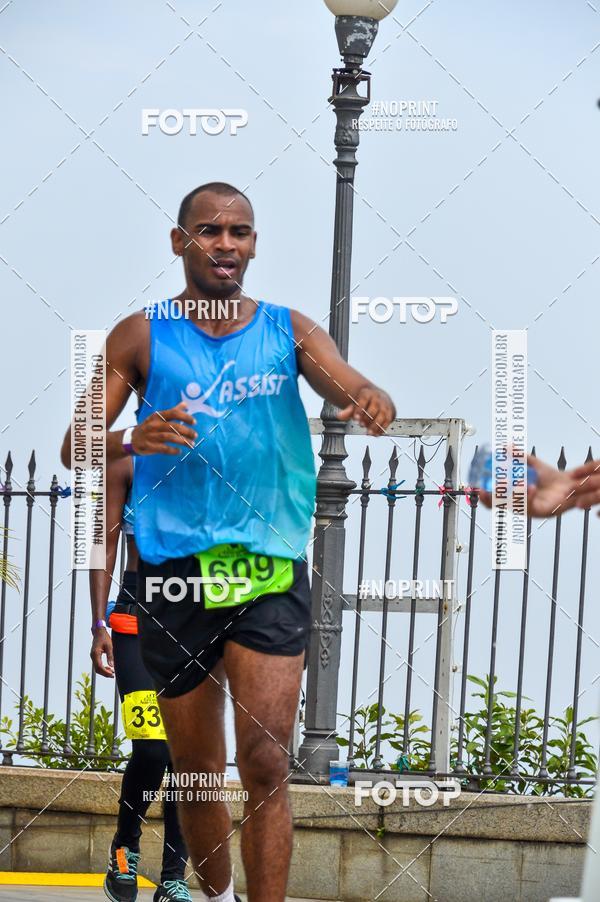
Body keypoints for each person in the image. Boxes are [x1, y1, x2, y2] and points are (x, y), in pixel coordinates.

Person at [61, 181, 396, 902]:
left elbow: (346, 381)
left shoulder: (289, 329)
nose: (226, 244)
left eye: (239, 232)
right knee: (195, 768)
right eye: (209, 231)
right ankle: (213, 893)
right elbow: (72, 444)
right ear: (180, 242)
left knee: (268, 763)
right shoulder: (140, 335)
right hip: (170, 578)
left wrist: (368, 396)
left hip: (267, 570)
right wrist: (130, 436)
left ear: (253, 243)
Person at [90, 456, 192, 902]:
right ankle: (124, 847)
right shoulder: (125, 463)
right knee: (152, 747)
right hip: (134, 619)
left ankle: (174, 876)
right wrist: (98, 626)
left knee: (186, 758)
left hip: (196, 621)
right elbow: (105, 547)